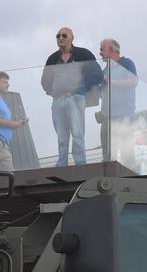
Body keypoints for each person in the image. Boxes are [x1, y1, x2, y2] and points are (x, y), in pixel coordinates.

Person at [39, 27, 102, 167]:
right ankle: (62, 164)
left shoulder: (83, 54)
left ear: (72, 38)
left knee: (77, 133)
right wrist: (53, 92)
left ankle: (80, 164)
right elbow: (44, 80)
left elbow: (97, 74)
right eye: (57, 36)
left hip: (76, 99)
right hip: (57, 101)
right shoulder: (52, 58)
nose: (60, 38)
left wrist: (82, 89)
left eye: (64, 35)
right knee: (61, 137)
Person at [96, 37, 138, 165]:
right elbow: (102, 94)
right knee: (107, 155)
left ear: (111, 49)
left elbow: (134, 81)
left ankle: (130, 180)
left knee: (127, 154)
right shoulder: (104, 71)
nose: (100, 53)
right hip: (107, 119)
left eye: (102, 49)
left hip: (123, 117)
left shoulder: (127, 63)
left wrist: (112, 82)